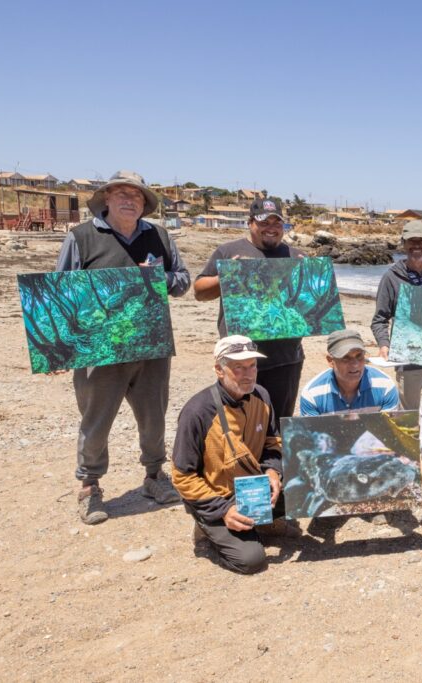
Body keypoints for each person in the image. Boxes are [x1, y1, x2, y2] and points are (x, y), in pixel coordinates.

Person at [56, 170, 191, 524]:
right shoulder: (81, 237)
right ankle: (89, 487)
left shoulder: (160, 236)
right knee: (96, 420)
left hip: (152, 347)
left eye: (137, 195)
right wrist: (59, 347)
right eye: (121, 194)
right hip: (99, 350)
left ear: (144, 203)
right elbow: (60, 293)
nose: (130, 200)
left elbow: (182, 281)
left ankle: (154, 477)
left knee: (154, 417)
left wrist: (157, 279)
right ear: (107, 199)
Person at [172, 336, 296, 574]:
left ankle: (259, 520)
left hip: (253, 487)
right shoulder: (197, 412)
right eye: (238, 368)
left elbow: (273, 442)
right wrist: (223, 511)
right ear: (219, 370)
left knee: (305, 489)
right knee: (252, 560)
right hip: (217, 496)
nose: (248, 374)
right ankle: (206, 525)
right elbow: (182, 477)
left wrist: (272, 470)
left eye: (252, 366)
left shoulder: (261, 396)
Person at [194, 197, 305, 422]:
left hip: (286, 357)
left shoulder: (294, 256)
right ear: (250, 223)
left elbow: (305, 307)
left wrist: (309, 275)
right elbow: (199, 291)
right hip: (239, 357)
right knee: (239, 421)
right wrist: (226, 276)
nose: (271, 229)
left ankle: (275, 458)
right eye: (264, 222)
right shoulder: (228, 251)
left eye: (277, 223)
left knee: (279, 422)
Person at [370, 219, 422, 409]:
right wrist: (384, 345)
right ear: (403, 243)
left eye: (421, 241)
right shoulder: (391, 277)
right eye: (412, 241)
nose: (417, 246)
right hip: (407, 362)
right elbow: (379, 319)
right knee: (409, 416)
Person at [299, 329, 400, 415]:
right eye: (345, 358)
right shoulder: (312, 395)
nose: (355, 364)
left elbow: (390, 432)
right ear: (330, 361)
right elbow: (312, 436)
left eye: (359, 356)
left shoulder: (385, 387)